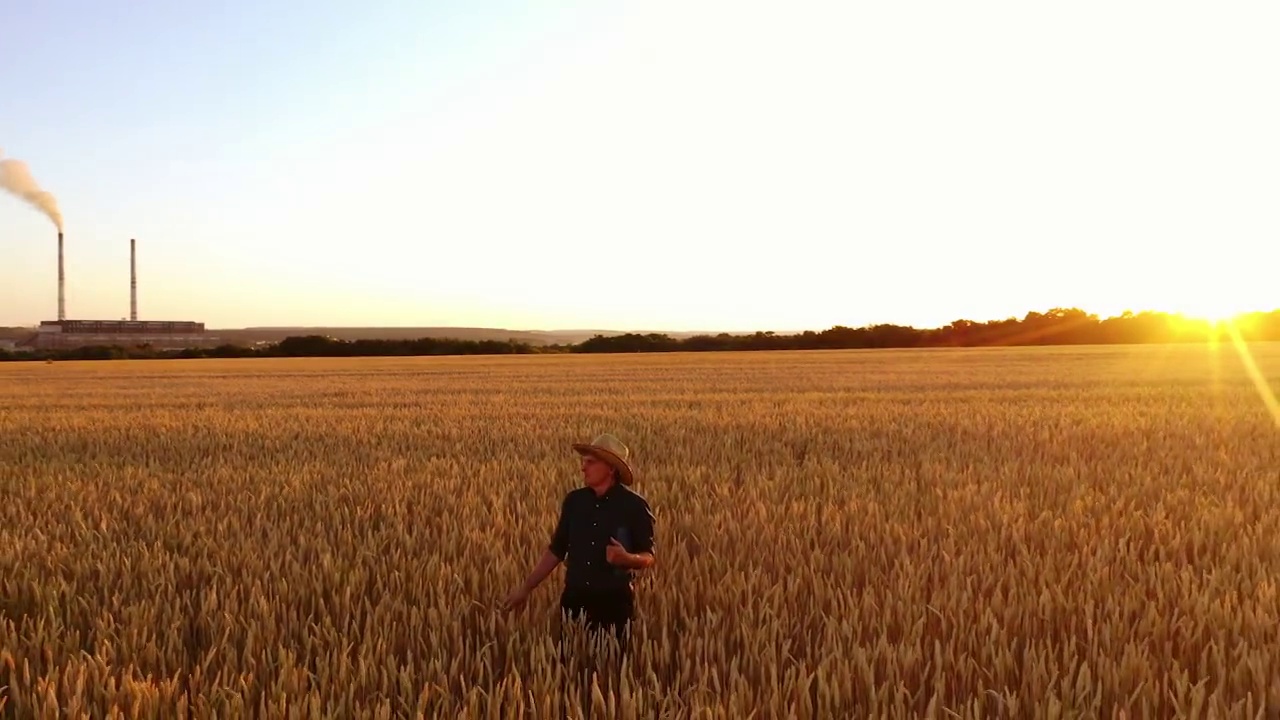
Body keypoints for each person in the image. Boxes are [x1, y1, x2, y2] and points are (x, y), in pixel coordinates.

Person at [503, 433, 656, 655]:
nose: (583, 468)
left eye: (590, 462)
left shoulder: (634, 506)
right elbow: (557, 549)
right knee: (570, 669)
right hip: (574, 600)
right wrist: (526, 588)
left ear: (611, 469)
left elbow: (649, 555)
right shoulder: (574, 501)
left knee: (611, 671)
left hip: (613, 604)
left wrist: (628, 559)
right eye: (583, 462)